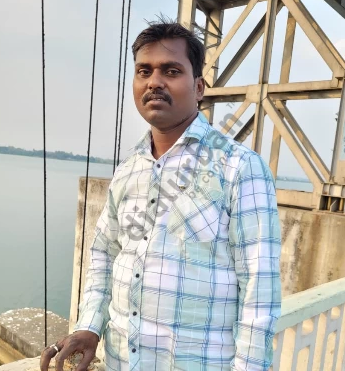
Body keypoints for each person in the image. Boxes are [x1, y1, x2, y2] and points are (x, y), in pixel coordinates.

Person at [40, 21, 281, 371]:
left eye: (171, 71)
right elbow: (105, 254)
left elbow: (260, 289)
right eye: (144, 71)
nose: (154, 81)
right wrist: (90, 325)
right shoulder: (127, 171)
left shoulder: (239, 167)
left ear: (198, 87)